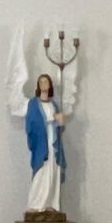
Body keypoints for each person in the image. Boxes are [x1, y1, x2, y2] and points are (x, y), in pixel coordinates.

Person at [19, 72, 68, 215]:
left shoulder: (54, 105)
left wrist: (60, 122)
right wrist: (49, 122)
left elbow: (60, 128)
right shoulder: (34, 104)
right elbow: (31, 124)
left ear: (50, 85)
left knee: (52, 171)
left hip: (54, 143)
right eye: (41, 82)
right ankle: (35, 203)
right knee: (41, 171)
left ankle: (50, 203)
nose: (43, 84)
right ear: (38, 86)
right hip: (41, 144)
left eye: (46, 82)